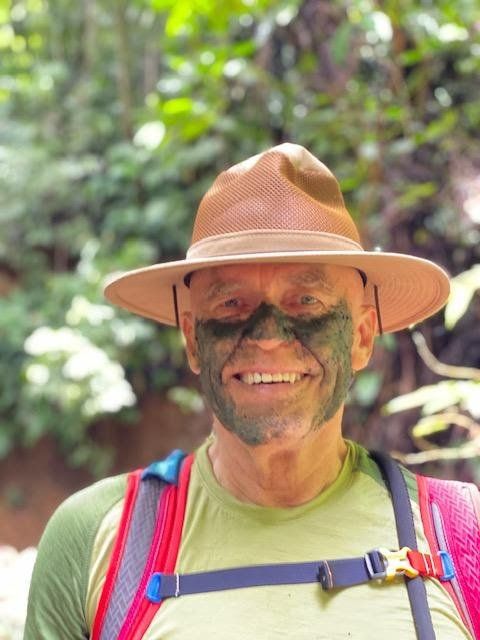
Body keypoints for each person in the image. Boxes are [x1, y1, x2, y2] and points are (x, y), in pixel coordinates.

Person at [24, 144, 471, 639]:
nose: (268, 335)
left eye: (307, 300)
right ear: (194, 340)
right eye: (233, 303)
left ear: (362, 336)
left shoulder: (459, 535)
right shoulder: (96, 539)